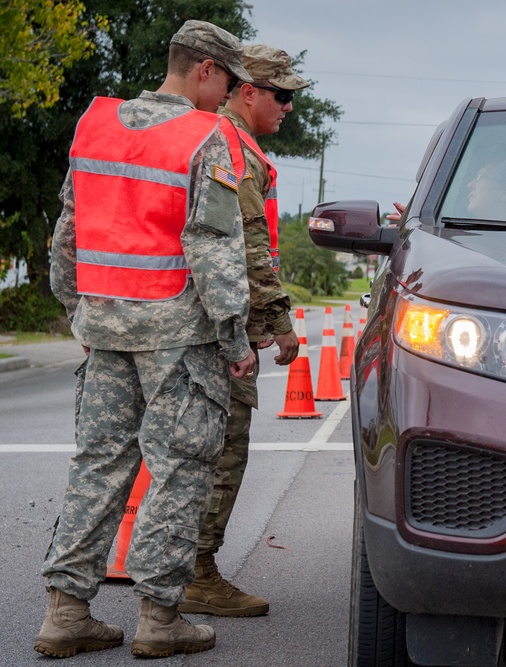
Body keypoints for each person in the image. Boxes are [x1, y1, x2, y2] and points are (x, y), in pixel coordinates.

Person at [36, 20, 255, 659]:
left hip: (104, 327)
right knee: (180, 469)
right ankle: (160, 619)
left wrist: (79, 310)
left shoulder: (95, 124)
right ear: (206, 70)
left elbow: (66, 234)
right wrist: (236, 337)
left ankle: (66, 613)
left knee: (98, 465)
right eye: (229, 81)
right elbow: (211, 245)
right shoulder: (204, 136)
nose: (229, 96)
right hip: (178, 336)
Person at [178, 44, 308, 618]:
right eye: (281, 95)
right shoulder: (231, 145)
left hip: (198, 323)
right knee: (221, 453)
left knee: (189, 452)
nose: (288, 108)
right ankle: (196, 574)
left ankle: (181, 570)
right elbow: (248, 243)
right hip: (217, 330)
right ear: (246, 90)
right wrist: (277, 323)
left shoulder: (223, 138)